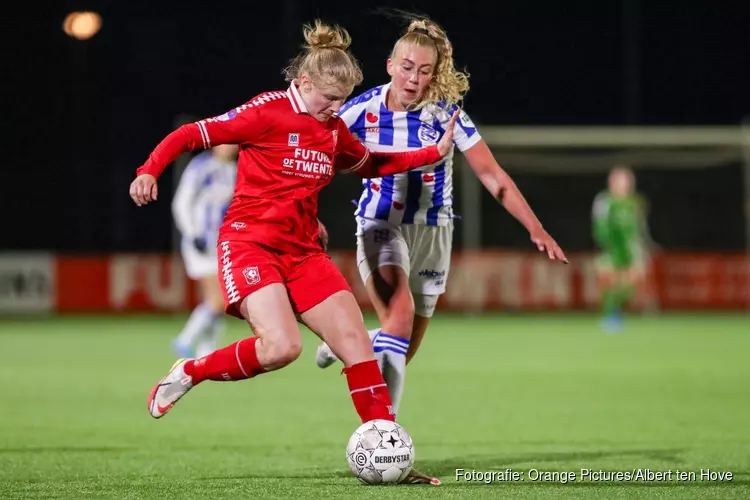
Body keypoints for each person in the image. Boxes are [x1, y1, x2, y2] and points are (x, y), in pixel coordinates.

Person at [129, 19, 457, 485]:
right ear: (302, 83)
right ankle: (191, 370)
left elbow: (370, 164)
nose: (335, 109)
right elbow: (192, 136)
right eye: (328, 98)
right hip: (249, 244)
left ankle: (388, 454)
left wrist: (428, 153)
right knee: (282, 348)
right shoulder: (266, 112)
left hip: (303, 252)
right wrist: (149, 171)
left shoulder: (331, 129)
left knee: (357, 345)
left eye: (342, 100)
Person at [315, 16, 568, 419]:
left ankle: (352, 341)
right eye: (407, 67)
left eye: (424, 70)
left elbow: (491, 174)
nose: (414, 78)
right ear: (390, 66)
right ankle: (384, 433)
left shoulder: (445, 115)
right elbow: (310, 158)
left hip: (435, 234)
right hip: (380, 225)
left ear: (434, 74)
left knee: (405, 344)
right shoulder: (360, 110)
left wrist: (535, 227)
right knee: (399, 314)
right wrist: (304, 211)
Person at [171, 144, 237, 358]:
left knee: (216, 300)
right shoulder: (201, 166)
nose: (230, 147)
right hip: (201, 242)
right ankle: (185, 339)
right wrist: (191, 233)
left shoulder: (235, 170)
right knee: (220, 299)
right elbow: (181, 202)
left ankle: (206, 352)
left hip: (223, 244)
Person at [592, 165, 655, 332]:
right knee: (610, 282)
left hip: (631, 248)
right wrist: (604, 242)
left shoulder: (636, 202)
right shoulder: (604, 200)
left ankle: (616, 310)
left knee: (632, 283)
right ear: (612, 182)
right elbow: (599, 224)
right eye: (620, 180)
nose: (624, 184)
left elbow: (640, 226)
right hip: (611, 247)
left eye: (627, 180)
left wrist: (645, 244)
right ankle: (610, 316)